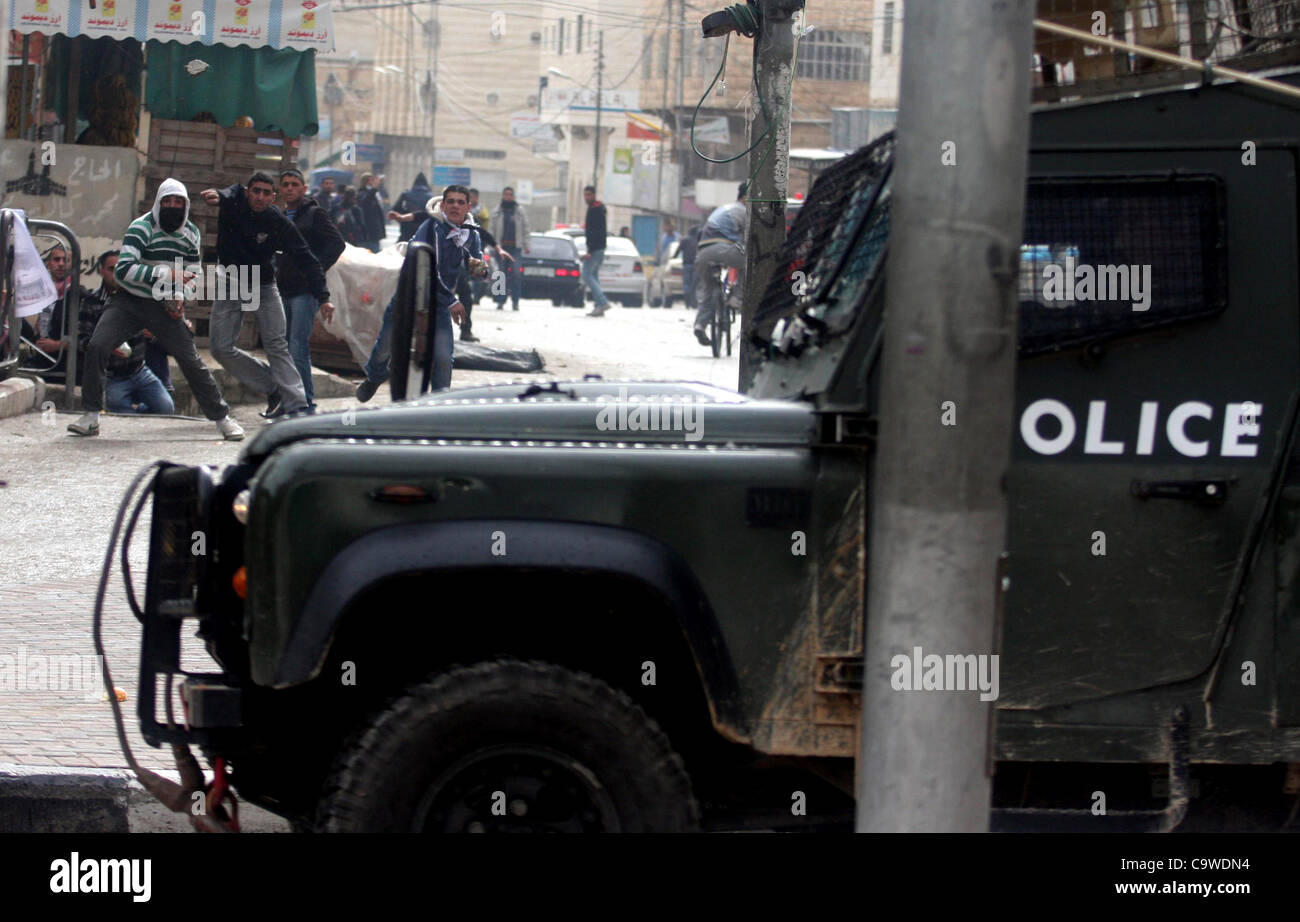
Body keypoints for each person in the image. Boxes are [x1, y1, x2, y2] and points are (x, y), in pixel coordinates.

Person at [68, 178, 243, 439]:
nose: (172, 206)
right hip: (129, 299)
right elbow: (124, 269)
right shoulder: (141, 227)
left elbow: (192, 274)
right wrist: (166, 274)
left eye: (178, 202)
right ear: (159, 203)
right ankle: (91, 416)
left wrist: (180, 297)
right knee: (98, 345)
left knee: (191, 360)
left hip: (164, 304)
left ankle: (221, 418)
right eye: (167, 201)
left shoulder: (191, 234)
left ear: (185, 205)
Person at [200, 172, 334, 419]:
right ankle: (273, 388)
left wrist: (323, 296)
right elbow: (230, 190)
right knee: (220, 348)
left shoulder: (278, 221)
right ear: (248, 192)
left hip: (262, 284)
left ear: (273, 197)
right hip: (230, 280)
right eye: (255, 191)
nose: (259, 197)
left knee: (276, 344)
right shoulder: (234, 200)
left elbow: (307, 258)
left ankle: (298, 404)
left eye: (265, 193)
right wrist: (217, 195)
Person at [355, 184, 476, 402]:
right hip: (409, 297)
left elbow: (475, 262)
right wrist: (451, 300)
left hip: (438, 304)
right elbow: (426, 267)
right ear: (443, 205)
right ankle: (374, 377)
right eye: (451, 201)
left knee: (442, 358)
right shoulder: (430, 228)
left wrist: (481, 268)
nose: (455, 206)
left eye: (460, 202)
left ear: (468, 206)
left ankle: (439, 404)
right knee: (384, 347)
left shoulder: (471, 234)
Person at [277, 168, 346, 415]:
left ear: (304, 189)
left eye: (295, 184)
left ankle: (306, 403)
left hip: (305, 291)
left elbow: (337, 243)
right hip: (283, 288)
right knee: (283, 348)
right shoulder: (283, 215)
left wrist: (314, 268)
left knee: (298, 347)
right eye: (285, 184)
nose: (289, 188)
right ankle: (288, 402)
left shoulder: (314, 214)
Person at [693, 182, 748, 347]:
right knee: (749, 263)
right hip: (724, 249)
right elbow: (749, 238)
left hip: (703, 253)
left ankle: (700, 325)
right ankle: (736, 298)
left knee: (708, 290)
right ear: (745, 198)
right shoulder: (744, 211)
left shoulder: (722, 209)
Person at [490, 186, 531, 311]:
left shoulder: (519, 211)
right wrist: (492, 245)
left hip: (515, 248)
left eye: (510, 195)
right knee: (500, 274)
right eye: (506, 194)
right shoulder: (497, 211)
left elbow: (526, 228)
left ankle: (515, 301)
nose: (508, 197)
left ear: (513, 196)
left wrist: (527, 245)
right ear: (503, 196)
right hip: (501, 247)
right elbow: (492, 229)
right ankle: (500, 301)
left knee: (516, 274)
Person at [580, 185, 612, 318]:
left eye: (589, 195)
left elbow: (595, 232)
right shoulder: (596, 208)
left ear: (594, 195)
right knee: (594, 276)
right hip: (599, 248)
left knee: (586, 275)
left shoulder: (595, 210)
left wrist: (590, 250)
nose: (587, 197)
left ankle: (603, 302)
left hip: (596, 249)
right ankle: (599, 306)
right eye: (585, 195)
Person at [388, 172, 434, 243]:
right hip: (423, 229)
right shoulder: (431, 197)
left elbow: (395, 209)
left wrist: (402, 219)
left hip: (406, 228)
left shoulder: (406, 194)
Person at [357, 173, 387, 252]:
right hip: (366, 232)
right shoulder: (361, 193)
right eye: (372, 180)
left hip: (374, 232)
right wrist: (374, 188)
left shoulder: (375, 194)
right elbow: (365, 202)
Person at [680, 223, 702, 310]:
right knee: (694, 285)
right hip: (696, 265)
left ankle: (687, 303)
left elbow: (679, 249)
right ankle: (693, 303)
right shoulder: (698, 240)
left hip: (687, 265)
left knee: (687, 284)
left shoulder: (685, 239)